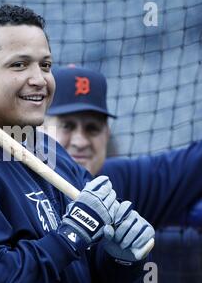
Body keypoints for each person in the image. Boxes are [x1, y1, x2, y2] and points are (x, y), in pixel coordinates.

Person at [0, 4, 154, 283]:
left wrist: (120, 260)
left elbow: (86, 278)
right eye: (19, 64)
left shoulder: (52, 154)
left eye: (46, 65)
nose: (39, 79)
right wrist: (69, 237)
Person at [45, 65, 202, 228]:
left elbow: (193, 163)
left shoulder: (119, 181)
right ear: (40, 128)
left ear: (106, 134)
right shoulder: (19, 189)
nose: (81, 142)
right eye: (67, 126)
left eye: (92, 128)